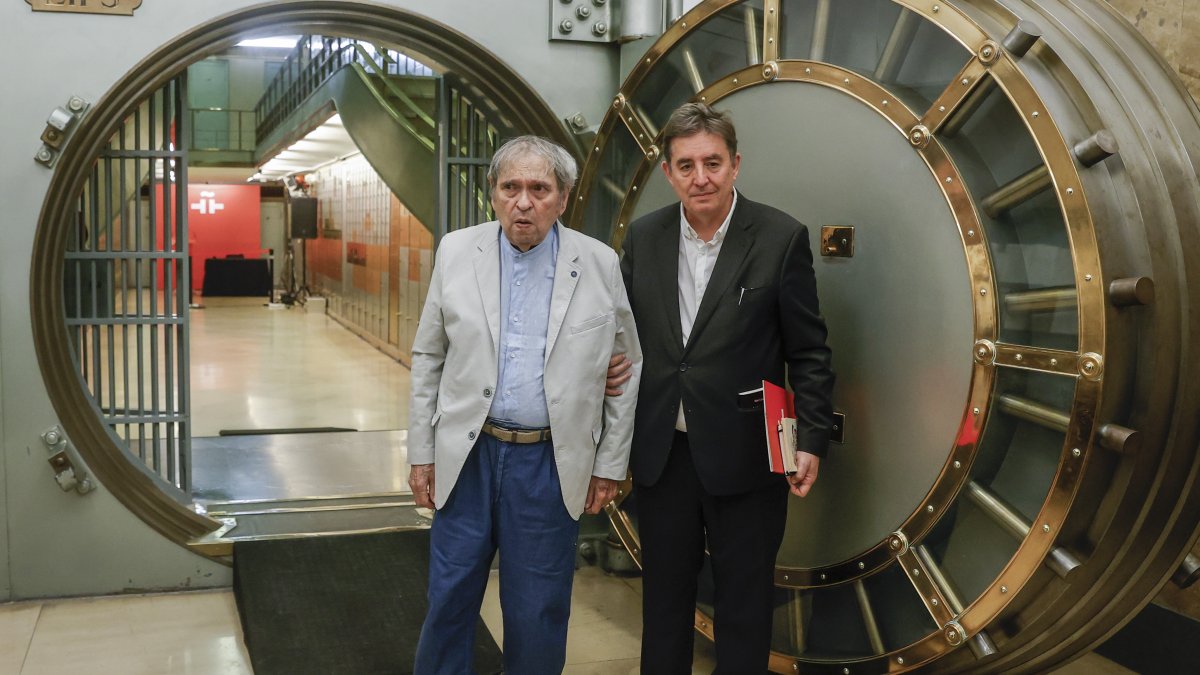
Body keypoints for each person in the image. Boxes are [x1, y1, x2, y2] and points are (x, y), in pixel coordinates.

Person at [407, 135, 642, 674]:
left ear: (562, 198)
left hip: (548, 464)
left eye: (539, 188)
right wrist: (422, 452)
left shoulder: (600, 264)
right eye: (510, 187)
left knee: (538, 609)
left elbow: (627, 368)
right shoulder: (456, 251)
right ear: (492, 193)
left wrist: (608, 464)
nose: (523, 201)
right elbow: (428, 357)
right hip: (467, 457)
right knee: (449, 597)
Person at [617, 102, 834, 672]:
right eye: (685, 165)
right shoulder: (644, 238)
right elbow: (626, 338)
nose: (700, 177)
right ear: (668, 172)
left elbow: (808, 350)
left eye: (712, 162)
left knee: (744, 604)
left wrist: (810, 437)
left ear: (736, 165)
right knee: (664, 604)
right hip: (664, 456)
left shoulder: (780, 237)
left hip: (749, 456)